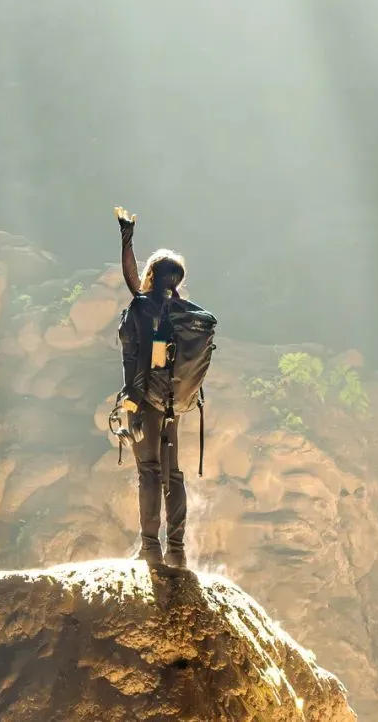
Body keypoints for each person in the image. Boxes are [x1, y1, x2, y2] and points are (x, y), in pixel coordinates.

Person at [114, 205, 214, 570]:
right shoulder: (182, 311)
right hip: (176, 401)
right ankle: (177, 550)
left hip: (144, 400)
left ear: (153, 274)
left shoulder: (143, 306)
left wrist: (127, 237)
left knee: (149, 471)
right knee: (173, 473)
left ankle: (150, 549)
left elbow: (129, 278)